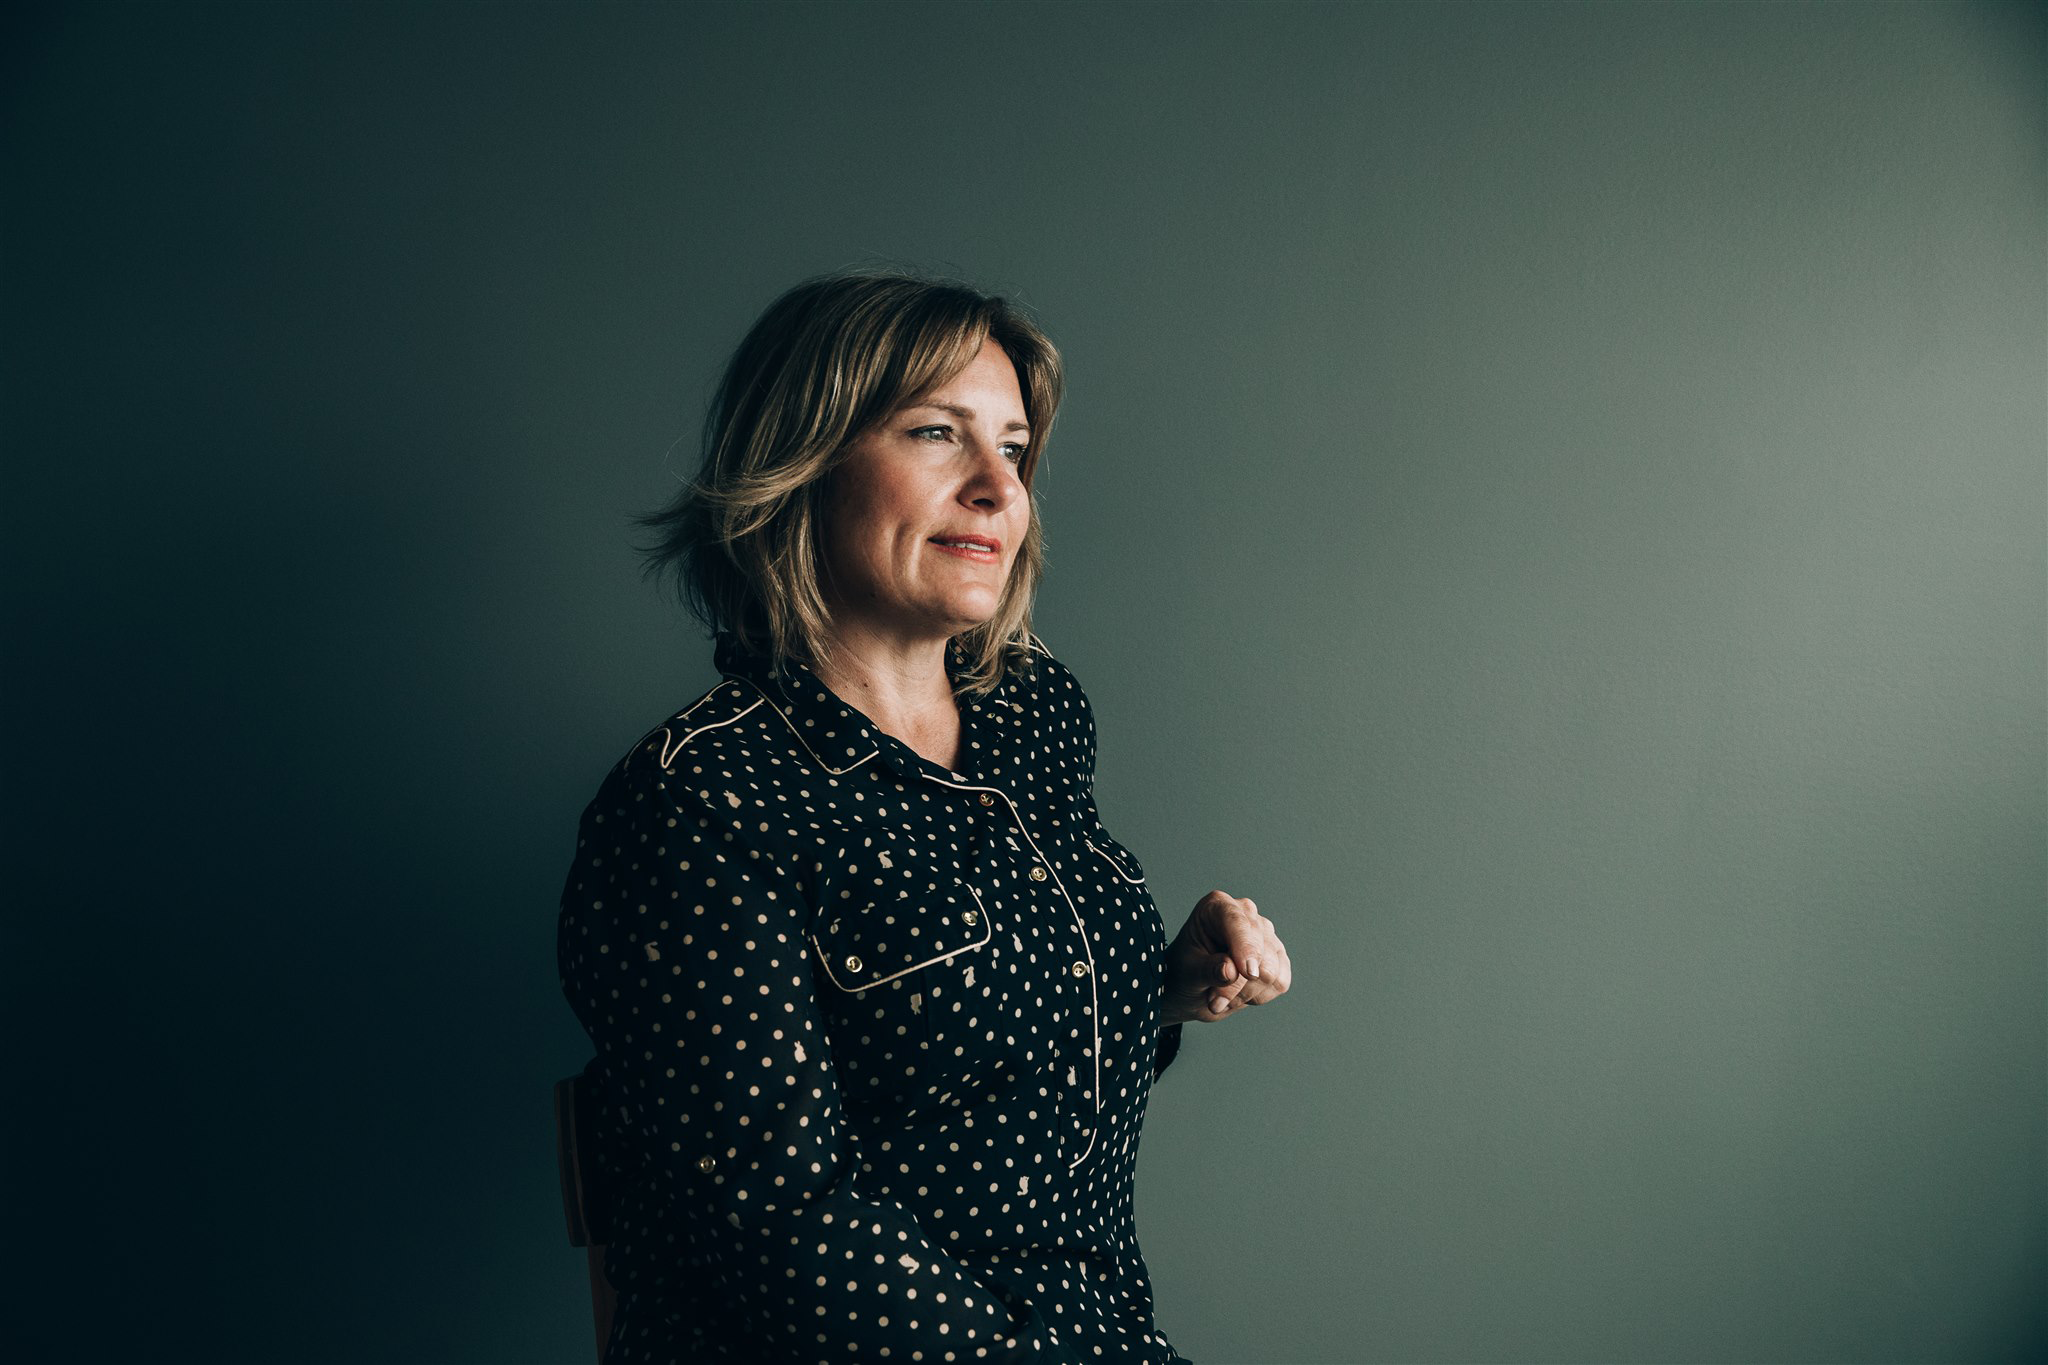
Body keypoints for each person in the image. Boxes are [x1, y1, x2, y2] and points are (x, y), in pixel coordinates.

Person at [556, 270, 1292, 1363]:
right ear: (801, 463)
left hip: (1092, 1331)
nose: (997, 487)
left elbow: (962, 1069)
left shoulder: (1033, 714)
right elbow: (787, 1239)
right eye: (938, 434)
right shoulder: (699, 802)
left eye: (1014, 447)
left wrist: (1152, 995)